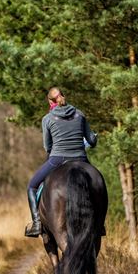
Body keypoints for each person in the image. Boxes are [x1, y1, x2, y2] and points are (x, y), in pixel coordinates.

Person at [25, 87, 97, 237]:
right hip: (81, 158)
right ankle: (99, 224)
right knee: (96, 185)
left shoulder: (47, 119)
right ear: (64, 96)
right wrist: (91, 139)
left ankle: (37, 223)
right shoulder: (80, 114)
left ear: (50, 101)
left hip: (57, 159)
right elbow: (91, 140)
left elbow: (47, 147)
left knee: (32, 186)